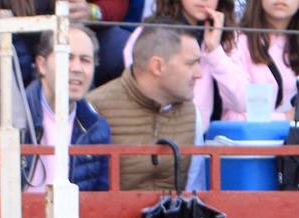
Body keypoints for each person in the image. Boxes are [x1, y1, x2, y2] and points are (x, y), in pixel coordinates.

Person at [88, 18, 199, 191]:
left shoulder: (193, 115)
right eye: (191, 64)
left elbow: (195, 190)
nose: (199, 74)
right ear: (158, 66)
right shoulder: (94, 109)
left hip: (175, 217)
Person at [120, 0, 241, 139]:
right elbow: (138, 90)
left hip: (209, 141)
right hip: (156, 136)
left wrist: (214, 51)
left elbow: (240, 103)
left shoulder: (229, 36)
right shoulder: (148, 33)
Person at [23, 24, 110, 191]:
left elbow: (100, 200)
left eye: (85, 60)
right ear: (41, 65)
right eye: (67, 57)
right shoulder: (13, 116)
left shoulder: (96, 128)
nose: (76, 68)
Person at [218, 0, 299, 122]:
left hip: (294, 139)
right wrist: (283, 118)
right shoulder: (236, 42)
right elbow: (230, 117)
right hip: (245, 139)